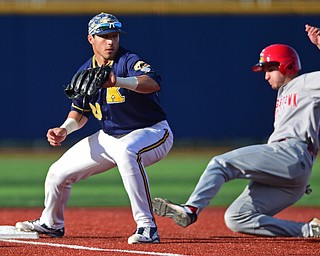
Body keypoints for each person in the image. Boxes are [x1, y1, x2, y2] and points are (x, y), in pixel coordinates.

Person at [15, 12, 173, 244]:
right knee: (58, 173)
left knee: (127, 152)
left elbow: (153, 82)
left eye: (114, 35)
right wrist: (64, 129)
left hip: (152, 132)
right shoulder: (84, 71)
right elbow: (80, 113)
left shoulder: (128, 61)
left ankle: (147, 226)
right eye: (104, 36)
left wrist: (118, 81)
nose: (110, 41)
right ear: (91, 39)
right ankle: (51, 223)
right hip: (110, 137)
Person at [152, 25, 320, 238]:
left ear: (286, 65)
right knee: (237, 217)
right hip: (292, 174)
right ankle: (310, 231)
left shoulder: (304, 83)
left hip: (291, 153)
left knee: (221, 163)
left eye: (269, 68)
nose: (266, 75)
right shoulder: (285, 92)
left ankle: (190, 209)